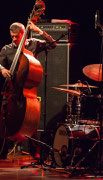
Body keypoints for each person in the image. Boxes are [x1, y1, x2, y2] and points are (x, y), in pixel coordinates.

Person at [0, 21, 57, 159]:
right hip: (11, 91)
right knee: (4, 118)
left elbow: (53, 44)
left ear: (24, 34)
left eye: (16, 36)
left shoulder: (33, 44)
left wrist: (39, 31)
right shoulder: (6, 49)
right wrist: (2, 70)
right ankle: (2, 150)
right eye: (12, 36)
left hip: (27, 91)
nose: (14, 39)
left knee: (30, 120)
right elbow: (0, 64)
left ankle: (35, 151)